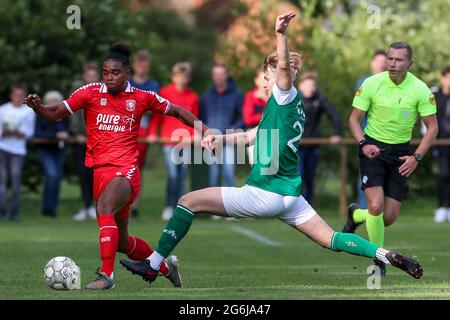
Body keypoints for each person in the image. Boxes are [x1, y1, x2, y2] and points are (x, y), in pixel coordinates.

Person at [120, 13, 423, 285]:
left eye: (266, 75)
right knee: (330, 237)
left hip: (263, 194)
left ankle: (153, 264)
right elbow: (251, 136)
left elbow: (283, 73)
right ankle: (385, 254)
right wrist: (217, 138)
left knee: (187, 201)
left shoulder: (284, 96)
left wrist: (280, 35)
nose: (264, 80)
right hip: (290, 197)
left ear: (273, 75)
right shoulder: (286, 109)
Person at [24, 43, 207, 290]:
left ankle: (106, 276)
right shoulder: (89, 92)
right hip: (100, 171)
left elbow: (175, 110)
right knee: (121, 242)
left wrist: (203, 129)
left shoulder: (142, 97)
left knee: (104, 207)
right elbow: (56, 112)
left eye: (115, 73)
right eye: (106, 72)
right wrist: (38, 107)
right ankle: (165, 267)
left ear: (128, 74)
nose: (109, 77)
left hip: (126, 170)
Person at [343, 42, 438, 276]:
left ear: (409, 63)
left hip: (401, 154)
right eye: (390, 58)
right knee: (375, 206)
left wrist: (416, 157)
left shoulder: (420, 89)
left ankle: (355, 215)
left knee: (388, 217)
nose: (392, 63)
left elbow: (433, 127)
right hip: (372, 148)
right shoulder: (372, 83)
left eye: (398, 60)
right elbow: (354, 120)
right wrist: (363, 143)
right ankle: (380, 260)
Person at [148, 62, 199, 221]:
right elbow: (157, 116)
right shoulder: (164, 92)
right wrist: (152, 133)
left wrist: (196, 134)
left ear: (188, 79)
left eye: (184, 77)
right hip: (169, 142)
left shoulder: (193, 97)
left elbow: (194, 119)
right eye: (179, 77)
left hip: (186, 142)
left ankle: (181, 207)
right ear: (173, 77)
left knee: (182, 175)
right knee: (173, 175)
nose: (181, 80)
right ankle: (169, 206)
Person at [297, 72, 342, 204]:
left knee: (310, 177)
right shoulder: (294, 99)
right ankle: (294, 205)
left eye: (312, 85)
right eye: (307, 85)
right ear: (300, 86)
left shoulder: (319, 99)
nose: (310, 88)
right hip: (295, 146)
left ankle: (307, 205)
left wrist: (337, 133)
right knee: (299, 175)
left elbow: (334, 115)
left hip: (313, 145)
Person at [200, 63, 243, 187]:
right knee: (214, 176)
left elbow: (242, 117)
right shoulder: (206, 96)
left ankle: (231, 206)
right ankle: (215, 206)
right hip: (211, 140)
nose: (218, 77)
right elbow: (201, 117)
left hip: (228, 139)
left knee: (229, 174)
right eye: (215, 74)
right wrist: (205, 130)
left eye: (221, 74)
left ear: (227, 75)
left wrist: (236, 127)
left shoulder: (237, 95)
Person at [354, 50, 388, 209]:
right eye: (378, 61)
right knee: (366, 174)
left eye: (384, 61)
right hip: (369, 137)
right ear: (372, 64)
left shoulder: (392, 83)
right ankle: (363, 209)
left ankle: (379, 209)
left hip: (389, 137)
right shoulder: (365, 82)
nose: (381, 64)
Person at [129, 50, 160, 218]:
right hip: (126, 129)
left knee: (137, 168)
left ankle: (135, 205)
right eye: (139, 65)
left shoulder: (153, 85)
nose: (142, 69)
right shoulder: (126, 82)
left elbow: (152, 109)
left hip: (143, 129)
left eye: (145, 66)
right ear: (134, 65)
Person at [0, 84, 35, 221]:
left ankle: (15, 212)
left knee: (15, 180)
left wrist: (22, 134)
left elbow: (30, 132)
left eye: (21, 95)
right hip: (2, 148)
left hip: (18, 151)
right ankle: (2, 212)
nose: (18, 98)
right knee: (2, 181)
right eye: (16, 95)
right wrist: (5, 133)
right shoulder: (3, 110)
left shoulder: (28, 112)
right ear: (11, 95)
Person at [34, 91, 69, 218]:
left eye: (56, 101)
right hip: (44, 149)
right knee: (52, 175)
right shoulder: (41, 115)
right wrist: (55, 135)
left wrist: (65, 134)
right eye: (51, 101)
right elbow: (37, 133)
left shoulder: (63, 115)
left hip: (59, 149)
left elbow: (66, 130)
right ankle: (47, 207)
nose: (53, 104)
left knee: (57, 178)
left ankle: (52, 209)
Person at [71, 62, 99, 221]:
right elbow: (73, 112)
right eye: (88, 75)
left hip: (98, 141)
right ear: (84, 76)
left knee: (97, 175)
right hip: (81, 139)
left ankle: (97, 207)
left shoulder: (104, 90)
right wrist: (77, 134)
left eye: (94, 76)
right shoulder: (78, 89)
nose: (91, 78)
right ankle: (86, 206)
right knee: (83, 174)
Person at [433, 66, 450, 223]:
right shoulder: (435, 95)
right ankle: (441, 207)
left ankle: (448, 207)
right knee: (443, 175)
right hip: (440, 143)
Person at [242, 69, 269, 165]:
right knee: (257, 167)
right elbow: (248, 119)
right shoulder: (251, 96)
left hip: (273, 134)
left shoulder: (274, 97)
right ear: (256, 81)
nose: (265, 83)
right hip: (254, 135)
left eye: (267, 79)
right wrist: (267, 116)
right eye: (262, 79)